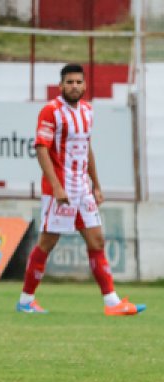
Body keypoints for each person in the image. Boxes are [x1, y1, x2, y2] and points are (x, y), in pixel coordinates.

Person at [17, 63, 144, 316]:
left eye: (78, 82)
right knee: (47, 243)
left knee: (97, 240)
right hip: (60, 190)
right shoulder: (51, 111)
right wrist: (56, 186)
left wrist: (96, 184)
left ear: (85, 85)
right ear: (61, 85)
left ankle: (112, 302)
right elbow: (41, 149)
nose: (74, 86)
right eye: (69, 82)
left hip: (82, 189)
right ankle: (26, 300)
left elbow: (87, 148)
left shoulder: (87, 111)